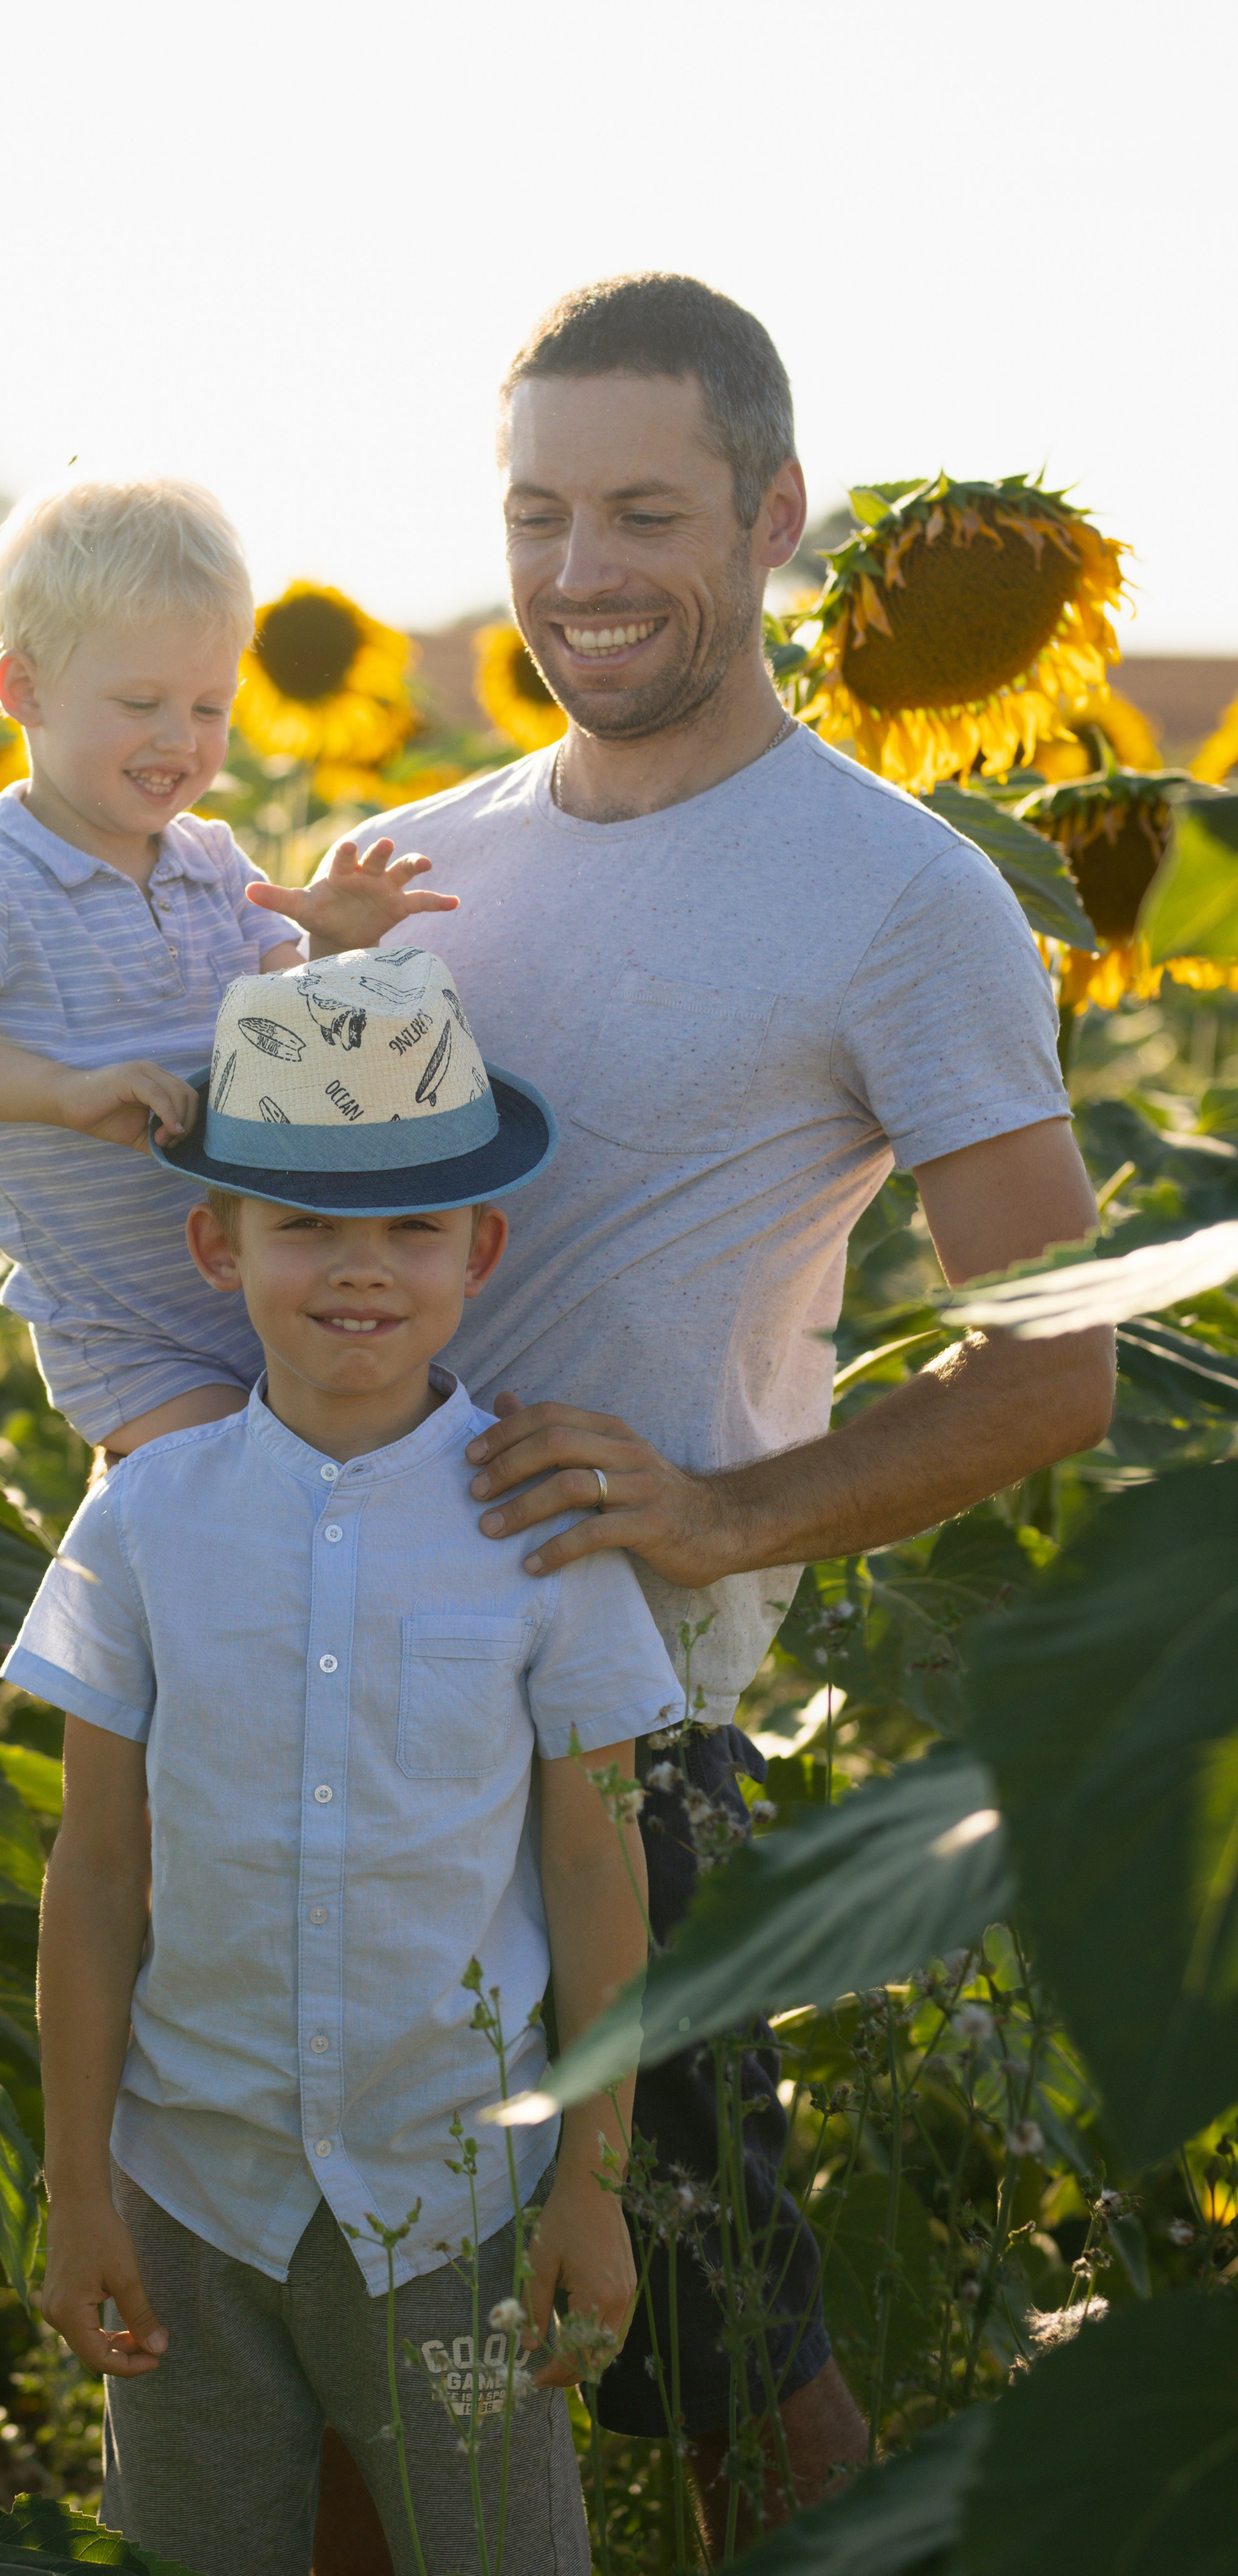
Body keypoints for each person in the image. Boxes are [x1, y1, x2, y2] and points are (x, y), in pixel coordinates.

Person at [249, 272, 1117, 2549]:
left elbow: (1065, 1359)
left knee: (737, 2386)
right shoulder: (420, 866)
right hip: (328, 1724)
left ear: (774, 517)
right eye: (540, 513)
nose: (581, 572)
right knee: (359, 2384)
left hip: (614, 1748)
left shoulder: (903, 897)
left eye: (645, 510)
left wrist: (730, 1517)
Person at [5, 947, 685, 2576]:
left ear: (481, 1250)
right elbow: (96, 1874)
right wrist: (78, 2185)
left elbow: (595, 1872)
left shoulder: (543, 1531)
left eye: (410, 1229)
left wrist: (590, 2188)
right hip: (190, 2193)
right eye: (303, 1223)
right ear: (214, 1241)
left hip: (457, 2195)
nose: (357, 1272)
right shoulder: (145, 1521)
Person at [0, 475, 455, 1460]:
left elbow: (300, 1037)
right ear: (25, 689)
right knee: (219, 1507)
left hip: (282, 1298)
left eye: (210, 707)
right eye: (141, 703)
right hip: (132, 1336)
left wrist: (338, 956)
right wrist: (65, 1092)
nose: (180, 740)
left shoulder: (216, 864)